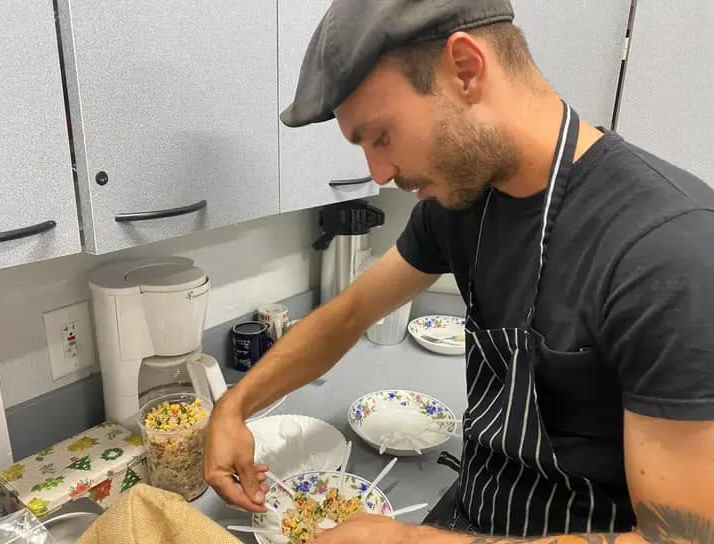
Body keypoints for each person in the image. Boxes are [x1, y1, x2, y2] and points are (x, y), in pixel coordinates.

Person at [204, 1, 714, 542]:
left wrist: (407, 540)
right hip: (475, 511)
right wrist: (235, 407)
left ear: (466, 69)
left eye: (381, 137)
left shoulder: (669, 248)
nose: (379, 173)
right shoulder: (461, 205)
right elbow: (349, 314)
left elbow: (680, 539)